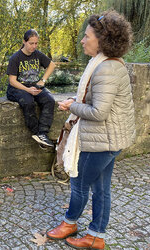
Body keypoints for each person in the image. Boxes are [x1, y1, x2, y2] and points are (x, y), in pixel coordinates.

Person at [46, 10, 135, 250]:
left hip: (101, 142)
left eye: (87, 36)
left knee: (79, 184)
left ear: (103, 40)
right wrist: (76, 101)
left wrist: (72, 105)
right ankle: (96, 236)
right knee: (102, 189)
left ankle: (70, 223)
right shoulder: (110, 64)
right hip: (110, 140)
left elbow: (98, 112)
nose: (83, 41)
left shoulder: (105, 68)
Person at [6, 29, 56, 148]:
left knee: (49, 100)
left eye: (36, 43)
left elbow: (52, 65)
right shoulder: (15, 58)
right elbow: (12, 81)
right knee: (28, 102)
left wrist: (42, 81)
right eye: (31, 43)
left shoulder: (38, 54)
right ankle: (37, 133)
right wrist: (28, 90)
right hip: (17, 88)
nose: (34, 46)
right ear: (24, 42)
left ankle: (43, 134)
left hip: (34, 85)